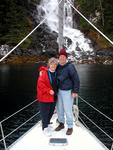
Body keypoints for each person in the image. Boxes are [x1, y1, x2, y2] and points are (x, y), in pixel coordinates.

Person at [55, 48, 80, 135]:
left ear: (66, 58)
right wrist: (42, 71)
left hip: (67, 92)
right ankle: (61, 124)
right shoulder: (57, 66)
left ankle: (70, 127)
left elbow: (76, 79)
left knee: (68, 110)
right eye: (60, 57)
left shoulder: (70, 67)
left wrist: (75, 91)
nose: (62, 59)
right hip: (58, 91)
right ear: (59, 58)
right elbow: (49, 71)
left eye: (63, 57)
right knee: (59, 109)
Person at [36, 57, 58, 136]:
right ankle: (44, 128)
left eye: (55, 64)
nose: (53, 66)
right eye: (52, 64)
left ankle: (47, 124)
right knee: (44, 112)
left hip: (53, 97)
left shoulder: (56, 73)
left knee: (51, 111)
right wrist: (48, 90)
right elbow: (40, 84)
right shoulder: (44, 72)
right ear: (49, 64)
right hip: (45, 97)